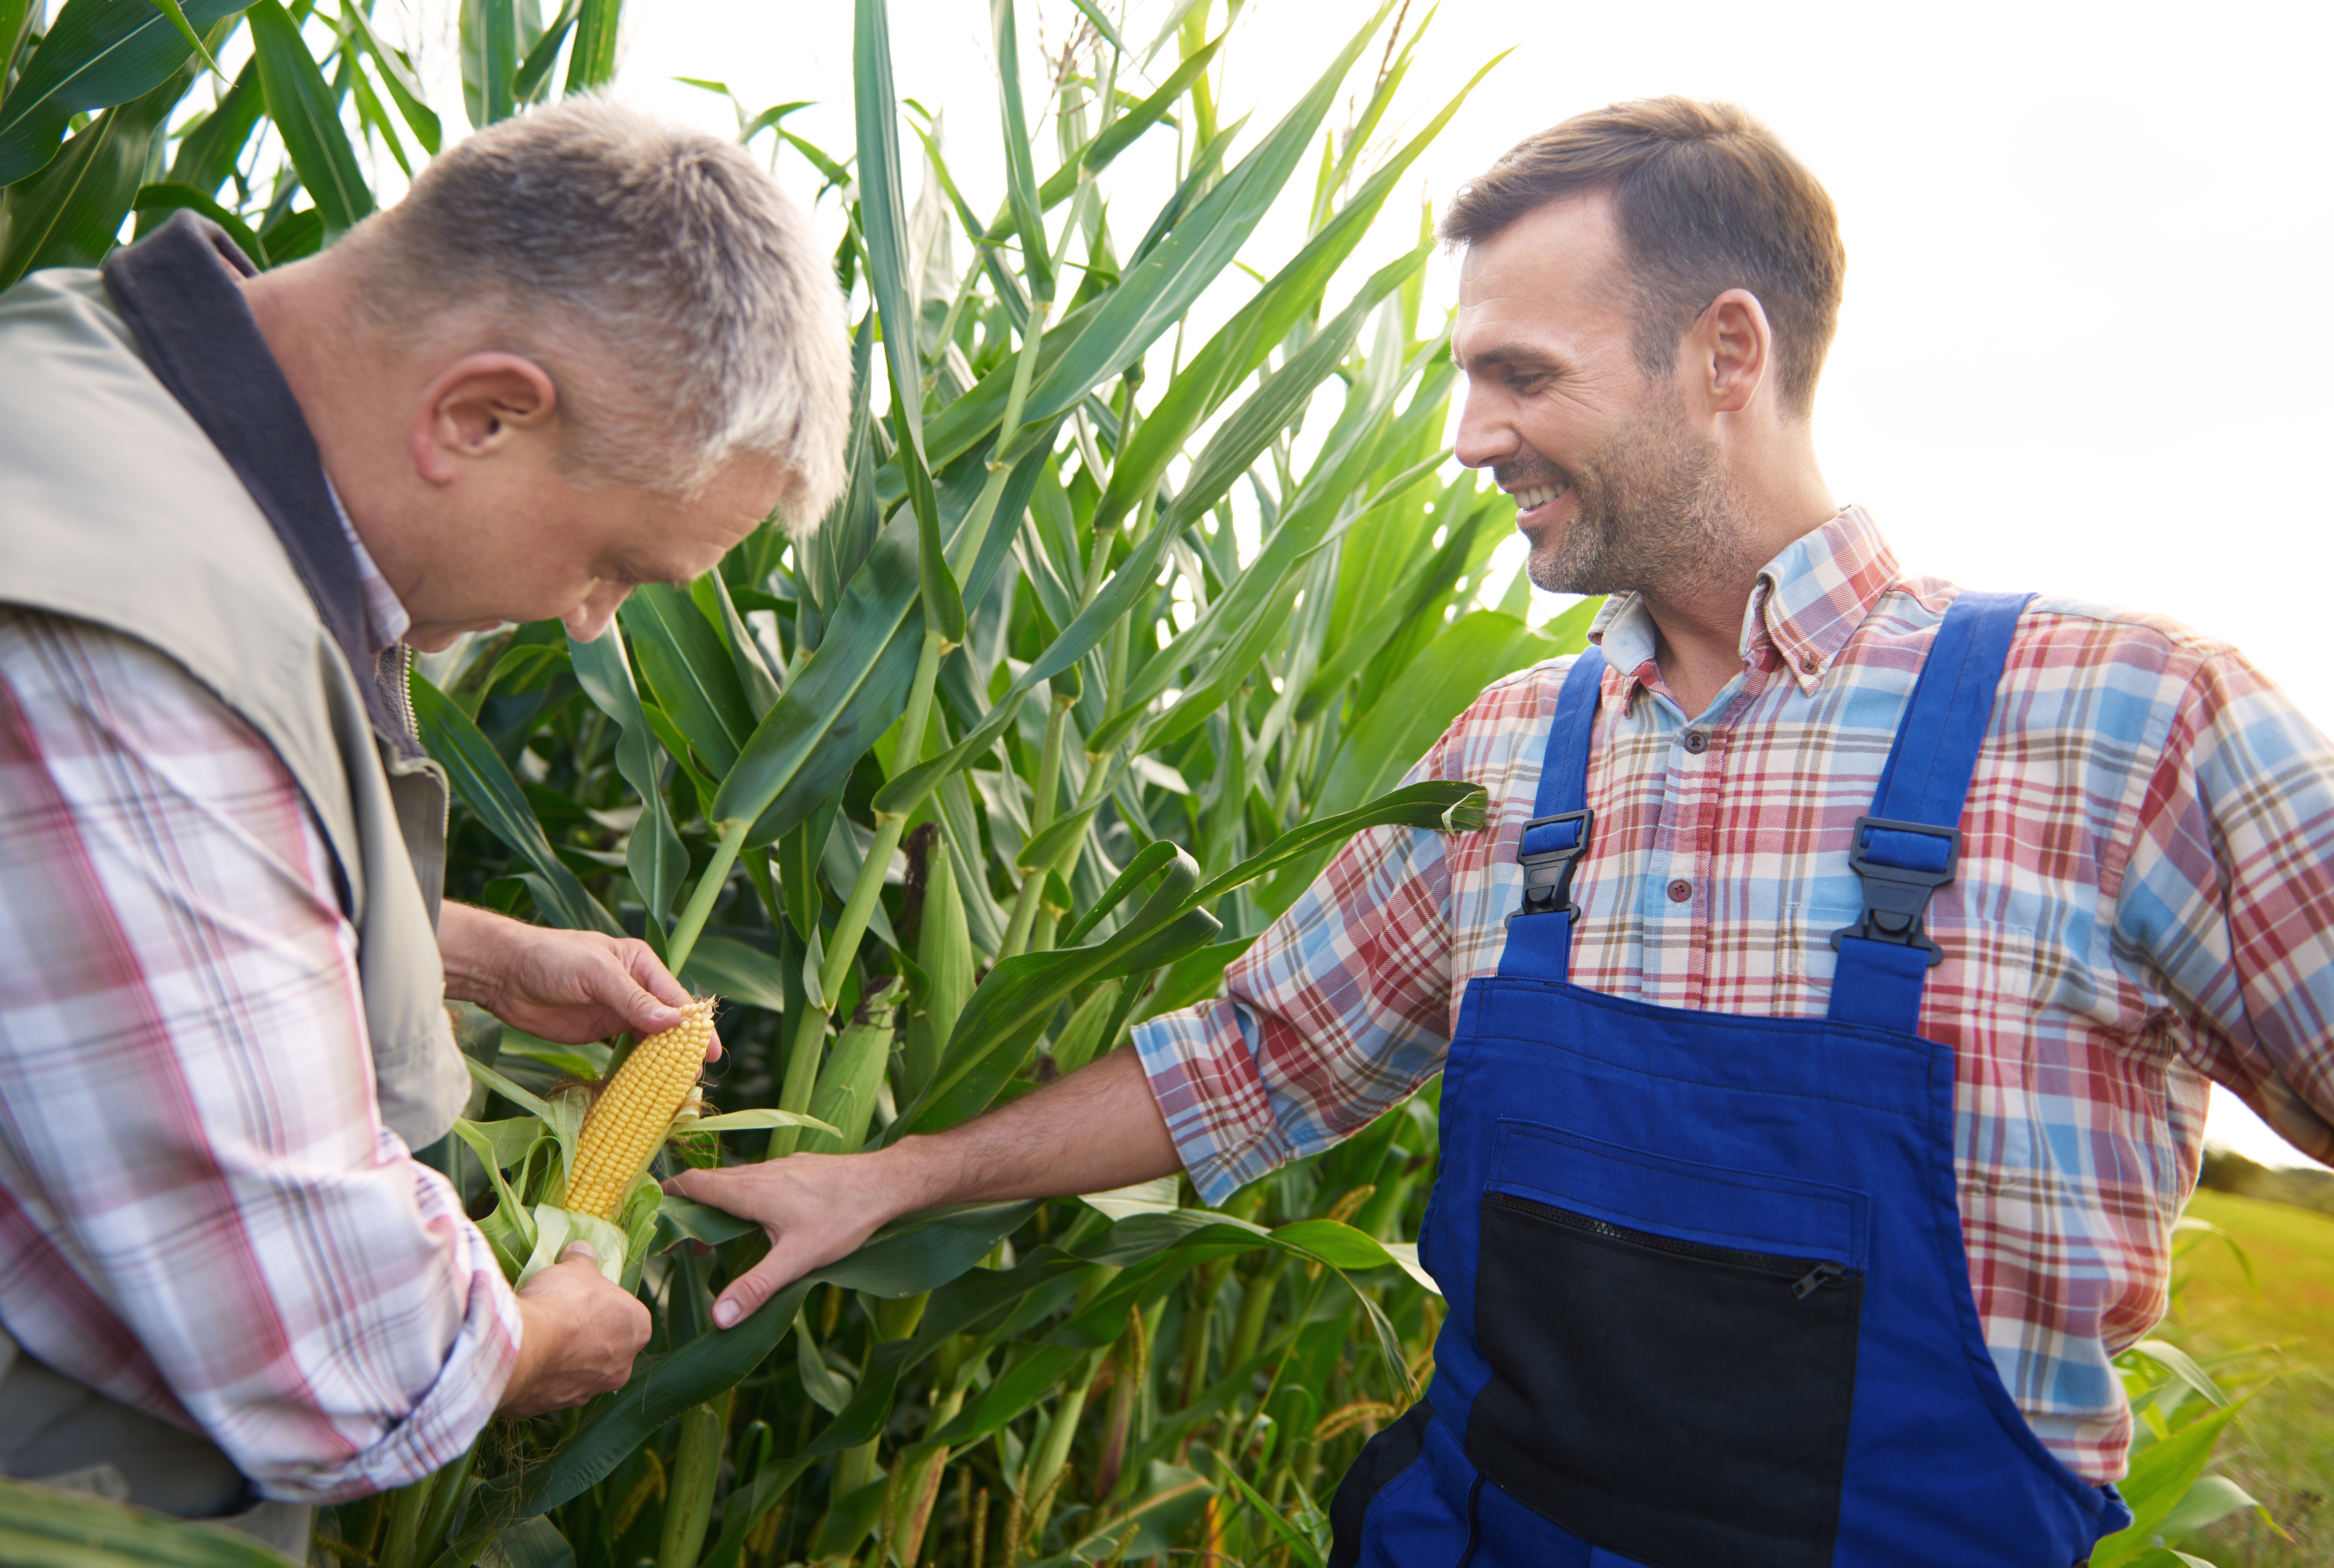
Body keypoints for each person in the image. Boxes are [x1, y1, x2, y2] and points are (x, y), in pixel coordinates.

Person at [669, 96, 2334, 1565]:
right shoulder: (1513, 755)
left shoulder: (2125, 724)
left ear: (1728, 356)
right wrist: (894, 1178)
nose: (1470, 435)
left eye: (1520, 375)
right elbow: (1254, 1061)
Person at [0, 99, 849, 1549]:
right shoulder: (139, 644)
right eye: (615, 564)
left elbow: (71, 901)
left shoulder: (80, 380)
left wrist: (462, 948)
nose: (591, 621)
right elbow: (333, 1353)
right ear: (481, 414)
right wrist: (536, 1336)